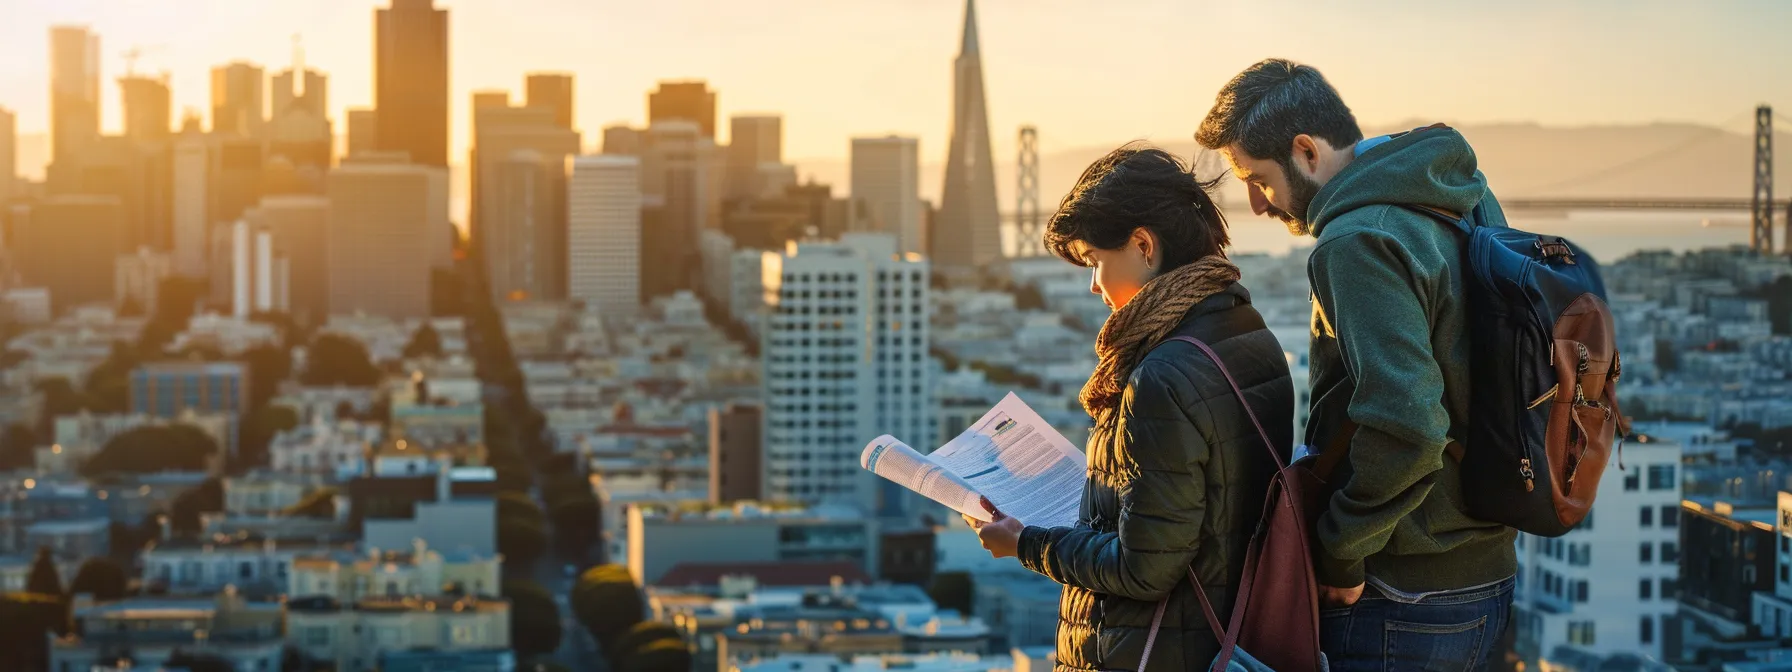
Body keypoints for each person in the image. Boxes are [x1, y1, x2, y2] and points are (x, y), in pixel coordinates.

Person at [1195, 58, 1517, 671]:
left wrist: (1342, 548)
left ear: (1306, 152)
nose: (1258, 205)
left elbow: (1409, 424)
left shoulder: (1357, 241)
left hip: (1400, 588)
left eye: (1258, 178)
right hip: (1486, 573)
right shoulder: (1453, 196)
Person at [966, 144, 1294, 672]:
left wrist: (1026, 543)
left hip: (1156, 650)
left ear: (1143, 245)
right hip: (1220, 636)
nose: (1094, 285)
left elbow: (1145, 568)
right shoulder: (1247, 334)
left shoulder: (1161, 376)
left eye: (1095, 262)